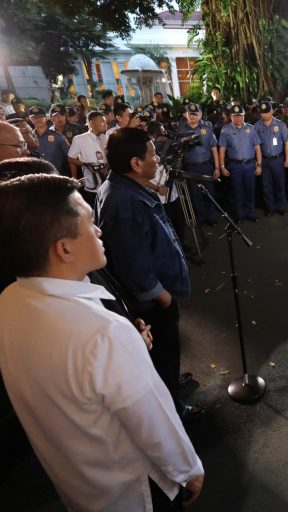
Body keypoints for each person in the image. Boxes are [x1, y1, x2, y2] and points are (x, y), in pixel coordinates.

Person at [0, 173, 204, 511]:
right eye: (90, 223)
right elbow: (153, 422)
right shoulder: (103, 331)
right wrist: (188, 471)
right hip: (135, 490)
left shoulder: (9, 301)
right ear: (64, 248)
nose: (99, 232)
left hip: (79, 485)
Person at [95, 128, 204, 422]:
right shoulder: (124, 202)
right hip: (152, 301)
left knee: (168, 351)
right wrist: (163, 295)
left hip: (157, 294)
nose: (157, 160)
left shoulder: (126, 188)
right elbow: (133, 263)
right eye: (152, 154)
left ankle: (170, 380)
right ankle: (172, 408)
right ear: (135, 163)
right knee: (161, 351)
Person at [218, 104, 263, 222]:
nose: (238, 118)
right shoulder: (226, 130)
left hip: (250, 165)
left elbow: (257, 148)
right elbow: (221, 150)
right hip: (235, 166)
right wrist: (222, 167)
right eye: (235, 116)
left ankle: (251, 213)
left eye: (240, 116)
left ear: (244, 116)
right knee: (237, 191)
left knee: (250, 190)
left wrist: (259, 165)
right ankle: (239, 214)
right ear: (230, 117)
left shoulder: (251, 128)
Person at [182, 103, 220, 227]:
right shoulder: (182, 130)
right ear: (186, 115)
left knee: (209, 192)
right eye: (190, 114)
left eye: (195, 114)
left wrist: (217, 167)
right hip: (191, 167)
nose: (192, 116)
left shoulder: (207, 129)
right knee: (195, 194)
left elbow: (214, 149)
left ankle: (211, 216)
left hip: (206, 166)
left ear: (200, 115)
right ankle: (201, 217)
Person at [254, 100, 288, 216]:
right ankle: (270, 208)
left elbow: (287, 143)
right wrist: (257, 162)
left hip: (278, 159)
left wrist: (287, 159)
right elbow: (255, 146)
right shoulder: (257, 126)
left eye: (267, 112)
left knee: (280, 184)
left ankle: (281, 207)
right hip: (264, 160)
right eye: (262, 112)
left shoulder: (280, 125)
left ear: (272, 111)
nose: (264, 114)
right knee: (266, 186)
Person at [67, 110, 109, 205]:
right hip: (92, 184)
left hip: (106, 181)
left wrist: (107, 166)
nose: (105, 124)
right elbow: (70, 158)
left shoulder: (104, 138)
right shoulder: (80, 139)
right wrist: (87, 165)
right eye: (102, 121)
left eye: (105, 122)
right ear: (92, 123)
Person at [28, 106, 70, 175]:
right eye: (34, 117)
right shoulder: (29, 137)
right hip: (38, 177)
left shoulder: (57, 136)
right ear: (30, 119)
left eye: (40, 116)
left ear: (46, 118)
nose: (38, 119)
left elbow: (69, 157)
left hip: (59, 175)